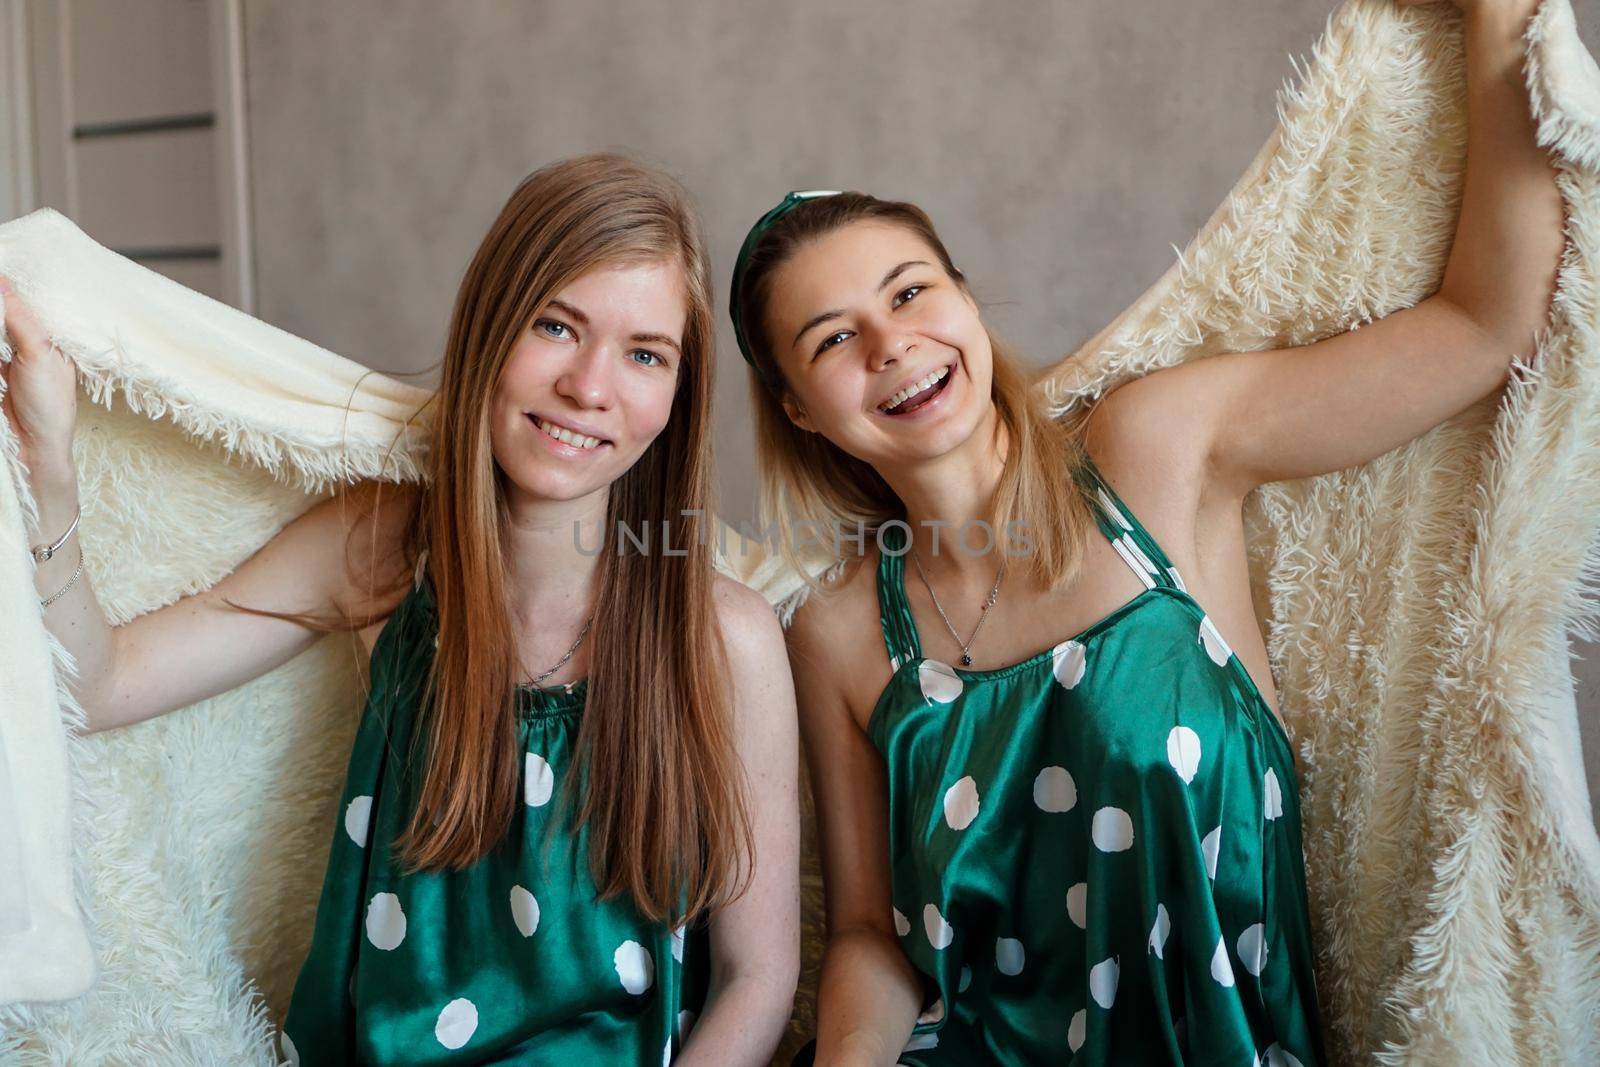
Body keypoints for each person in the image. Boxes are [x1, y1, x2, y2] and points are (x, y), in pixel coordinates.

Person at [724, 0, 1561, 1062]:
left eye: (910, 291)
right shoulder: (840, 630)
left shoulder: (1154, 451)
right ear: (798, 405)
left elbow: (1481, 327)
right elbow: (866, 934)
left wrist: (1504, 17)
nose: (892, 344)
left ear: (967, 301)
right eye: (834, 337)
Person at [1, 152, 800, 1065]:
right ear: (490, 328)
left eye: (645, 354)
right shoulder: (386, 551)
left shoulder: (722, 640)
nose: (590, 386)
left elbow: (757, 978)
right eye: (556, 325)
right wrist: (51, 476)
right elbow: (100, 685)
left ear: (676, 397)